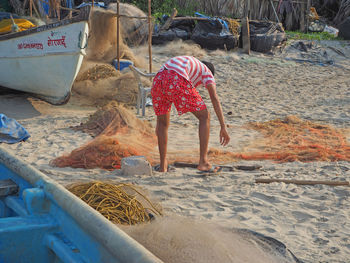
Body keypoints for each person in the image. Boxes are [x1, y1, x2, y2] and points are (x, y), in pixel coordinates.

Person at [151, 56, 230, 172]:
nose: (202, 85)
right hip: (176, 77)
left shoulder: (191, 64)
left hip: (158, 79)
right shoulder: (207, 72)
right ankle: (203, 162)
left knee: (162, 123)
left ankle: (163, 166)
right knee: (204, 116)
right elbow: (214, 98)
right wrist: (223, 126)